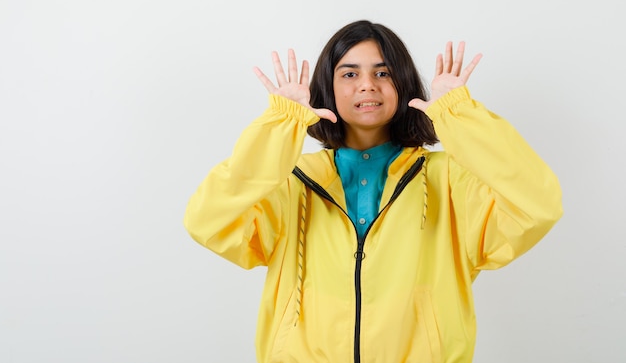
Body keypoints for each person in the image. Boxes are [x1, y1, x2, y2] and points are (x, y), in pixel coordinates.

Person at [184, 20, 563, 363]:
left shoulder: (448, 179)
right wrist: (280, 126)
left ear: (402, 83)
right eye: (349, 73)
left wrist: (458, 115)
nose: (367, 84)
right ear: (327, 88)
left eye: (382, 72)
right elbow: (207, 221)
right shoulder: (289, 181)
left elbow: (538, 203)